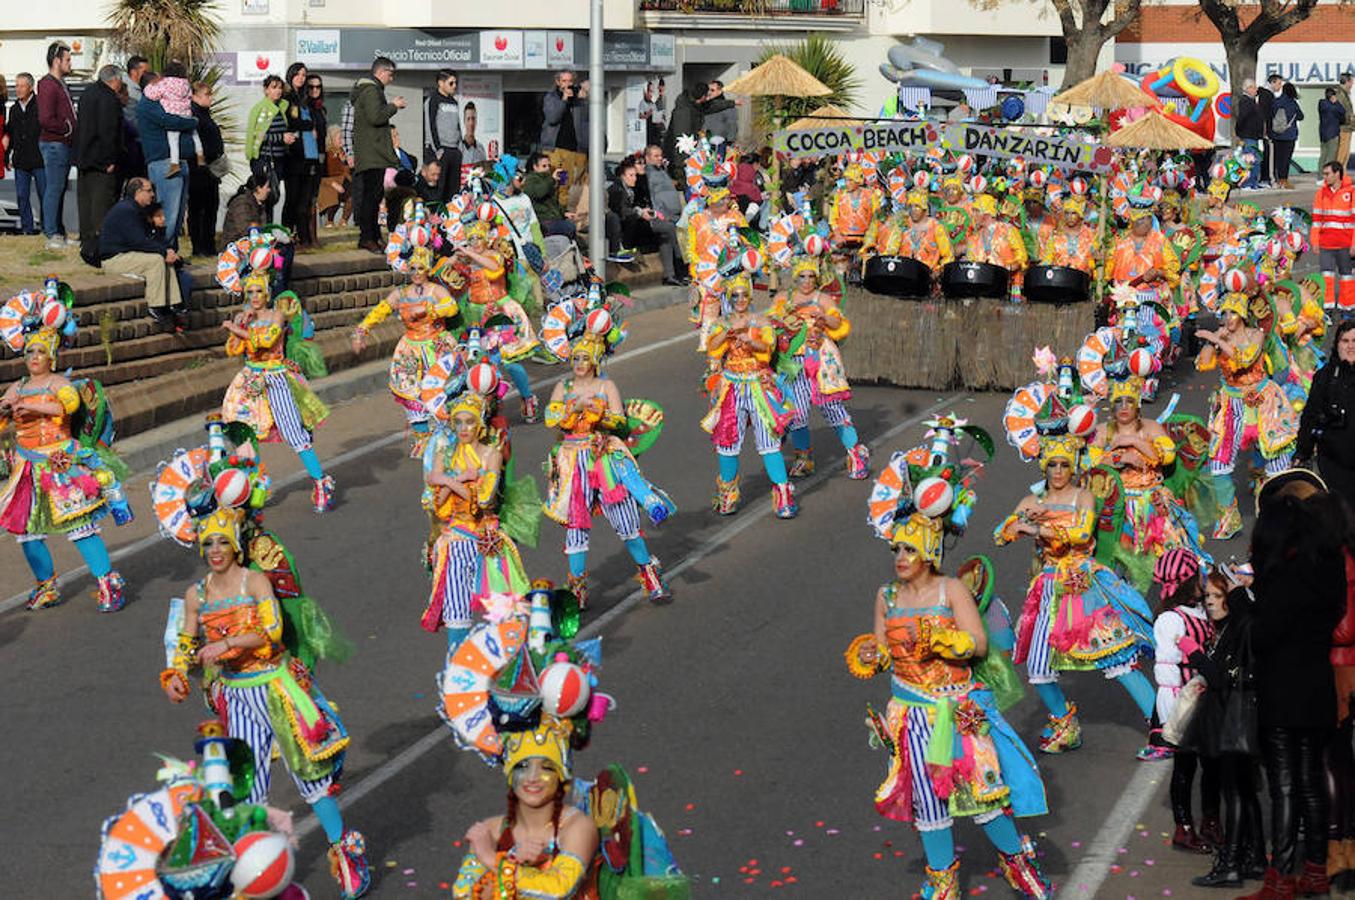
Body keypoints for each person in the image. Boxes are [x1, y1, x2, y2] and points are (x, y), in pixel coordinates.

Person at [158, 506, 370, 899]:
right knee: (248, 791)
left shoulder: (253, 582)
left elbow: (271, 631)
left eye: (223, 541)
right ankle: (257, 877)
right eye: (208, 543)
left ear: (236, 545)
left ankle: (346, 854)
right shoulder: (196, 594)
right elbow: (186, 642)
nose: (216, 550)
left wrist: (228, 643)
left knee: (311, 778)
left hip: (275, 687)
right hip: (236, 696)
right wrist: (175, 674)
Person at [846, 512, 1052, 900]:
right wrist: (874, 654)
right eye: (897, 549)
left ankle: (1017, 861)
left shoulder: (951, 591)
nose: (901, 557)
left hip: (956, 712)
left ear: (929, 552)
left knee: (982, 794)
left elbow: (978, 643)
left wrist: (945, 640)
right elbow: (886, 652)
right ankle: (943, 880)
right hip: (911, 715)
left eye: (909, 549)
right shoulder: (886, 596)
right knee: (927, 801)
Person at [993, 432, 1157, 752]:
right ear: (1044, 466)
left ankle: (1162, 723)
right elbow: (1000, 535)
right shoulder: (1032, 502)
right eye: (1052, 464)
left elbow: (1081, 535)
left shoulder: (1083, 497)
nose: (1057, 470)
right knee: (1039, 666)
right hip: (1048, 587)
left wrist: (1039, 527)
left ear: (1073, 467)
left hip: (1083, 585)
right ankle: (1065, 725)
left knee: (1114, 656)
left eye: (1064, 464)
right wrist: (1018, 520)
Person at [1243, 475, 1347, 897]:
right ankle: (1316, 873)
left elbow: (1265, 633)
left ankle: (1280, 878)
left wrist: (1238, 600)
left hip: (1283, 691)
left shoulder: (1287, 577)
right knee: (1311, 782)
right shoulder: (1328, 565)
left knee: (1285, 785)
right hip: (1317, 686)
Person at [0, 323, 130, 612]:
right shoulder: (17, 386)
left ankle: (108, 582)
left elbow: (66, 407)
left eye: (41, 351)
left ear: (52, 357)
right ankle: (46, 585)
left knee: (80, 526)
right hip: (27, 468)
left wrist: (33, 407)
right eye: (30, 351)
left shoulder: (59, 384)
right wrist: (6, 408)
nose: (34, 357)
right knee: (27, 530)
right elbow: (5, 411)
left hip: (61, 465)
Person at [543, 328, 674, 606]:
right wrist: (574, 406)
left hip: (602, 455)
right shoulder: (563, 388)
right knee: (576, 526)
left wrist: (599, 413)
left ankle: (650, 574)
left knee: (625, 519)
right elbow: (551, 418)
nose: (578, 363)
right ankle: (576, 589)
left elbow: (620, 421)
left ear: (594, 361)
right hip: (572, 462)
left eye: (584, 358)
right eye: (575, 358)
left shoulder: (606, 387)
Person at [420, 390, 531, 655]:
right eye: (458, 422)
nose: (463, 428)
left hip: (487, 541)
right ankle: (458, 684)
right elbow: (437, 504)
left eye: (469, 422)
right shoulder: (444, 453)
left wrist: (446, 480)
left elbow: (484, 499)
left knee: (506, 613)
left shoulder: (491, 454)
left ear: (479, 423)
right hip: (455, 542)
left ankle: (511, 681)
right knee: (456, 616)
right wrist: (459, 478)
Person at [1181, 569, 1268, 887]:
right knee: (1244, 790)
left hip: (1235, 720)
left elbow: (1221, 676)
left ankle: (1230, 863)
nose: (1210, 603)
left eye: (1218, 596)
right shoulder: (1235, 626)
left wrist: (1194, 653)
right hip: (1237, 718)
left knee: (1235, 791)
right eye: (1207, 597)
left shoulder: (1238, 627)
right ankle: (1254, 857)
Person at [220, 271, 335, 513]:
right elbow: (233, 349)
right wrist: (239, 324)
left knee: (294, 434)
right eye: (249, 292)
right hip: (249, 379)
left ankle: (321, 482)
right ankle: (255, 484)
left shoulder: (278, 315)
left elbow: (266, 340)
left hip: (275, 379)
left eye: (258, 291)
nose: (254, 297)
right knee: (243, 431)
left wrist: (236, 328)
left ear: (268, 293)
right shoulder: (246, 318)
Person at [452, 722, 602, 898]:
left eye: (546, 768)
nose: (533, 778)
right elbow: (464, 895)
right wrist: (511, 859)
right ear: (509, 773)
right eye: (522, 766)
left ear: (562, 774)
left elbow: (559, 889)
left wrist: (492, 859)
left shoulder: (578, 827)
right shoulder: (491, 831)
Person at [1089, 374, 1210, 590]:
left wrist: (1133, 441)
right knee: (1116, 560)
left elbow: (1167, 455)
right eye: (1118, 401)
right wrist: (1120, 457)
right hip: (1118, 506)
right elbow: (1091, 463)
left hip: (1152, 503)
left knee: (1174, 553)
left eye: (1129, 401)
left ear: (1138, 405)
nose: (1124, 407)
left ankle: (1183, 597)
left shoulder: (1151, 427)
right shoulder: (1102, 431)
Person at [1195, 292, 1299, 539]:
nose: (1228, 318)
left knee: (1276, 459)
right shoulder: (1221, 337)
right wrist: (1212, 343)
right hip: (1232, 404)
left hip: (1263, 402)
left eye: (1233, 313)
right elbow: (1203, 364)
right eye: (1225, 313)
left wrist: (1215, 339)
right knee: (1218, 462)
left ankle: (1279, 515)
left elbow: (1245, 358)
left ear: (1243, 315)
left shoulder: (1256, 334)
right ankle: (1229, 519)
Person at [702, 274, 796, 518]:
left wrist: (750, 340)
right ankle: (727, 495)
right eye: (735, 295)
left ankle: (784, 493)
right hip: (731, 388)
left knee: (769, 442)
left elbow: (768, 348)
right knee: (728, 442)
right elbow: (712, 347)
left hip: (758, 385)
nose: (741, 299)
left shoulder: (761, 320)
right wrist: (729, 333)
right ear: (729, 297)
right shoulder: (722, 322)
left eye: (745, 294)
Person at [352, 241, 459, 454]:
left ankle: (448, 433)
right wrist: (361, 331)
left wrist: (430, 309)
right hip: (410, 348)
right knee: (410, 392)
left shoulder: (435, 290)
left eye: (421, 268)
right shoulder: (401, 293)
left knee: (444, 391)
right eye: (413, 268)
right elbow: (380, 311)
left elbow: (451, 307)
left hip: (437, 345)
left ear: (428, 269)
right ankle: (423, 437)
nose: (417, 273)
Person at [769, 256, 871, 480]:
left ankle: (855, 453)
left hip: (820, 360)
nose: (806, 281)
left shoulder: (822, 299)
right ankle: (803, 459)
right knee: (798, 413)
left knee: (833, 408)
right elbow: (769, 328)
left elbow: (839, 324)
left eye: (811, 276)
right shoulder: (782, 298)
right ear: (795, 277)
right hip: (793, 362)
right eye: (802, 276)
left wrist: (823, 317)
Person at [1148, 549, 1221, 851]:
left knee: (1213, 764)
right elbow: (1166, 671)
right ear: (1188, 582)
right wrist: (1170, 714)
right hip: (1184, 702)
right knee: (1186, 766)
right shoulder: (1169, 620)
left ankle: (1211, 821)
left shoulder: (1200, 610)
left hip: (1207, 697)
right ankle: (1184, 827)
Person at [99, 178, 186, 328]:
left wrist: (168, 252)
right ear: (138, 192)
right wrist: (163, 252)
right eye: (149, 191)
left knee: (163, 258)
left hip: (127, 255)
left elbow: (149, 239)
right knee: (155, 261)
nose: (153, 195)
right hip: (114, 259)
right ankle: (156, 306)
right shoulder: (126, 210)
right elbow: (138, 241)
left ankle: (174, 303)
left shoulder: (136, 210)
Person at [136, 70, 199, 248]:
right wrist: (193, 121)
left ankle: (171, 250)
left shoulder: (162, 102)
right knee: (168, 213)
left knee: (177, 212)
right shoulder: (149, 105)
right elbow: (172, 121)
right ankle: (162, 250)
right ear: (152, 86)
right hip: (164, 162)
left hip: (178, 161)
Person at [1297, 319, 1355, 507]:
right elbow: (1310, 416)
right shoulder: (1325, 376)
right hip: (1333, 460)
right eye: (1345, 341)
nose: (1350, 346)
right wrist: (1302, 452)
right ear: (1337, 344)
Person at [351, 57, 405, 253]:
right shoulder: (372, 91)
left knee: (373, 196)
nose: (391, 78)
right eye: (390, 74)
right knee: (371, 198)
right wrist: (393, 105)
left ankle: (373, 235)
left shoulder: (370, 90)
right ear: (381, 72)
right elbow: (376, 117)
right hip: (372, 153)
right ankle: (367, 237)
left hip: (371, 153)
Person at [74, 65, 125, 267]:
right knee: (101, 204)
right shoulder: (109, 98)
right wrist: (110, 160)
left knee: (85, 202)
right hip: (101, 160)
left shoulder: (87, 93)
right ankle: (100, 248)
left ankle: (86, 243)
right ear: (115, 80)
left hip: (84, 158)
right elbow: (108, 131)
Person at [606, 159, 681, 282]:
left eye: (635, 175)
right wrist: (640, 212)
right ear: (622, 176)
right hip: (629, 229)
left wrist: (644, 211)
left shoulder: (631, 189)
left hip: (638, 223)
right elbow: (622, 212)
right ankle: (680, 262)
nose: (634, 178)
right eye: (631, 175)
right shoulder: (617, 190)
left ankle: (670, 275)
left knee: (665, 234)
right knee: (668, 228)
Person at [37, 41, 75, 248]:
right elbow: (45, 118)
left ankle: (58, 231)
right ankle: (52, 233)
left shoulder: (61, 84)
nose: (70, 63)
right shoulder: (47, 84)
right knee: (54, 188)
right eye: (67, 59)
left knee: (58, 188)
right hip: (54, 144)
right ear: (56, 61)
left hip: (63, 144)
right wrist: (67, 127)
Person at [142, 60, 203, 179]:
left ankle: (174, 164)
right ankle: (200, 156)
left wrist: (150, 85)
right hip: (186, 113)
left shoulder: (164, 84)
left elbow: (151, 93)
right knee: (194, 134)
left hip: (173, 114)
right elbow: (189, 96)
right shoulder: (186, 84)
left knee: (173, 140)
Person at [1310, 161, 1355, 311]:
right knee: (1326, 278)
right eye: (1324, 174)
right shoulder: (1321, 193)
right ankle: (1326, 308)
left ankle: (1347, 309)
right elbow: (1316, 221)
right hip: (1326, 245)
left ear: (1337, 174)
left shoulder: (1352, 192)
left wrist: (1354, 244)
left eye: (1327, 173)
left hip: (1345, 244)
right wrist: (1315, 242)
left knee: (1347, 278)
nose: (1325, 177)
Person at [186, 81, 224, 258]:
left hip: (210, 170)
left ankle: (208, 245)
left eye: (210, 95)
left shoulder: (205, 114)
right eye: (206, 95)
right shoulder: (194, 115)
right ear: (194, 96)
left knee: (210, 208)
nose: (210, 98)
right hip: (199, 169)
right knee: (198, 209)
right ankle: (199, 246)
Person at [540, 70, 586, 207]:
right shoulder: (551, 97)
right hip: (555, 150)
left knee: (569, 184)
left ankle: (565, 212)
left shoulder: (578, 99)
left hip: (573, 150)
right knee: (557, 182)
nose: (567, 84)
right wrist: (564, 99)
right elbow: (552, 118)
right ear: (558, 82)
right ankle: (554, 212)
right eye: (564, 81)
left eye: (570, 81)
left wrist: (584, 99)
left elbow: (586, 121)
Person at [8, 73, 44, 234]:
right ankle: (27, 229)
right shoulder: (14, 109)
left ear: (30, 87)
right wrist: (6, 155)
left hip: (39, 159)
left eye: (22, 86)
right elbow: (10, 133)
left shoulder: (40, 106)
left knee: (45, 196)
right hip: (21, 161)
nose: (18, 89)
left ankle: (47, 228)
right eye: (16, 86)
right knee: (22, 196)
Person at [423, 69, 463, 201]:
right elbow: (430, 126)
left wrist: (459, 148)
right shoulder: (432, 100)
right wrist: (437, 149)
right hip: (440, 150)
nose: (454, 86)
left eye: (455, 83)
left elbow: (458, 126)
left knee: (454, 189)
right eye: (451, 83)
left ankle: (451, 217)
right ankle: (436, 218)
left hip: (454, 150)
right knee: (439, 188)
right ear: (441, 83)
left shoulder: (454, 102)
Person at [523, 151, 575, 240]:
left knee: (571, 225)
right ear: (535, 167)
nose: (547, 169)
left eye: (548, 166)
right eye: (544, 166)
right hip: (542, 220)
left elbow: (553, 203)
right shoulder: (531, 179)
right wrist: (552, 179)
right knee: (569, 227)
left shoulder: (547, 179)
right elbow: (539, 192)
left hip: (552, 218)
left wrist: (564, 213)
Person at [1038, 195, 1097, 273]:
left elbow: (1095, 259)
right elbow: (1048, 259)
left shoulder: (1091, 235)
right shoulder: (1056, 235)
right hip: (1059, 279)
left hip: (1082, 280)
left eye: (1073, 213)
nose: (1069, 217)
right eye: (1067, 213)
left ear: (1080, 215)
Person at [663, 82, 706, 179]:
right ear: (703, 96)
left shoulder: (694, 106)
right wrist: (682, 163)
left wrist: (732, 103)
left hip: (685, 155)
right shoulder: (685, 110)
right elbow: (682, 138)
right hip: (681, 160)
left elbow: (714, 105)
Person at [221, 174, 273, 246]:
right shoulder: (241, 203)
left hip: (248, 244)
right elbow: (245, 230)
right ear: (258, 188)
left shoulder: (258, 204)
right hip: (234, 248)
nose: (269, 190)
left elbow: (262, 228)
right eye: (267, 187)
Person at [1271, 81, 1303, 190]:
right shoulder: (1293, 103)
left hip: (1276, 134)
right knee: (1286, 159)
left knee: (1277, 158)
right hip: (1289, 135)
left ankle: (1275, 180)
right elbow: (1301, 116)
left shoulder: (1276, 102)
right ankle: (1284, 180)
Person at [318, 124, 351, 227]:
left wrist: (344, 162)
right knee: (333, 193)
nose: (342, 140)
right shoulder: (326, 155)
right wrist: (333, 184)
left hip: (344, 182)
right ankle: (329, 221)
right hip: (329, 184)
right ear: (331, 139)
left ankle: (343, 220)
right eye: (339, 138)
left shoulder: (345, 153)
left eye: (342, 138)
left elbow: (348, 173)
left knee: (353, 194)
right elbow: (321, 176)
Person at [1234, 79, 1265, 190]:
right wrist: (1239, 131)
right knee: (1249, 160)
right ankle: (1247, 183)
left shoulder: (1251, 101)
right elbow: (1242, 118)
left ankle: (1253, 182)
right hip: (1248, 135)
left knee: (1255, 160)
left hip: (1254, 136)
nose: (1256, 90)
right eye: (1254, 87)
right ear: (1249, 88)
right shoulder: (1246, 101)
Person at [1321, 87, 1347, 172]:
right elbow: (1342, 111)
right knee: (1331, 157)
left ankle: (1321, 177)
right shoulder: (1329, 105)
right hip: (1332, 134)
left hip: (1324, 135)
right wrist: (1336, 102)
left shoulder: (1322, 103)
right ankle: (1327, 176)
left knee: (1323, 156)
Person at [459, 101, 487, 166]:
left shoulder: (481, 148)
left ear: (476, 121)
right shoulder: (458, 149)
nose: (471, 123)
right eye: (468, 119)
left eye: (473, 119)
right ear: (464, 121)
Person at [1338, 72, 1355, 174]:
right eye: (1351, 82)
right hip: (1343, 128)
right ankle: (1338, 176)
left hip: (1348, 128)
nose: (1352, 84)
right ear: (1347, 82)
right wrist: (1351, 119)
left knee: (1346, 154)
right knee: (1342, 153)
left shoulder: (1345, 94)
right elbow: (1341, 111)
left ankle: (1343, 175)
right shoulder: (1340, 94)